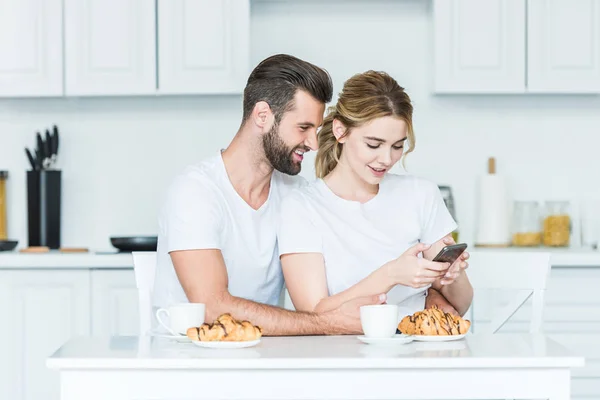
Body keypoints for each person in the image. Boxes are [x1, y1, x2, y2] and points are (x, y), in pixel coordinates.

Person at [152, 54, 388, 336]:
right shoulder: (195, 192)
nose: (313, 143)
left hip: (260, 358)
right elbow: (212, 307)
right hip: (187, 364)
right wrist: (328, 323)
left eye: (317, 130)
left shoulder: (295, 195)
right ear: (263, 116)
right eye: (303, 128)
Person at [278, 70, 473, 319]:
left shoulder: (420, 194)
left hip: (417, 350)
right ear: (340, 131)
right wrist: (391, 274)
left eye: (397, 146)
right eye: (373, 144)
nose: (386, 159)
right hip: (343, 352)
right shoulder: (302, 207)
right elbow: (313, 313)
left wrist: (452, 276)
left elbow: (463, 303)